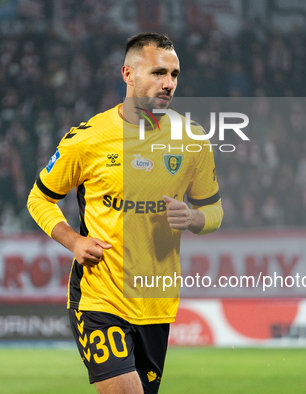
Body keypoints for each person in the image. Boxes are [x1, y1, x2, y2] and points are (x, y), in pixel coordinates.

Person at [27, 33, 223, 394]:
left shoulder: (192, 139)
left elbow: (213, 210)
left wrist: (194, 218)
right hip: (99, 297)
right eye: (158, 73)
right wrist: (73, 240)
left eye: (175, 75)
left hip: (156, 302)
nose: (168, 84)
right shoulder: (87, 139)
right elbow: (39, 199)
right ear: (128, 74)